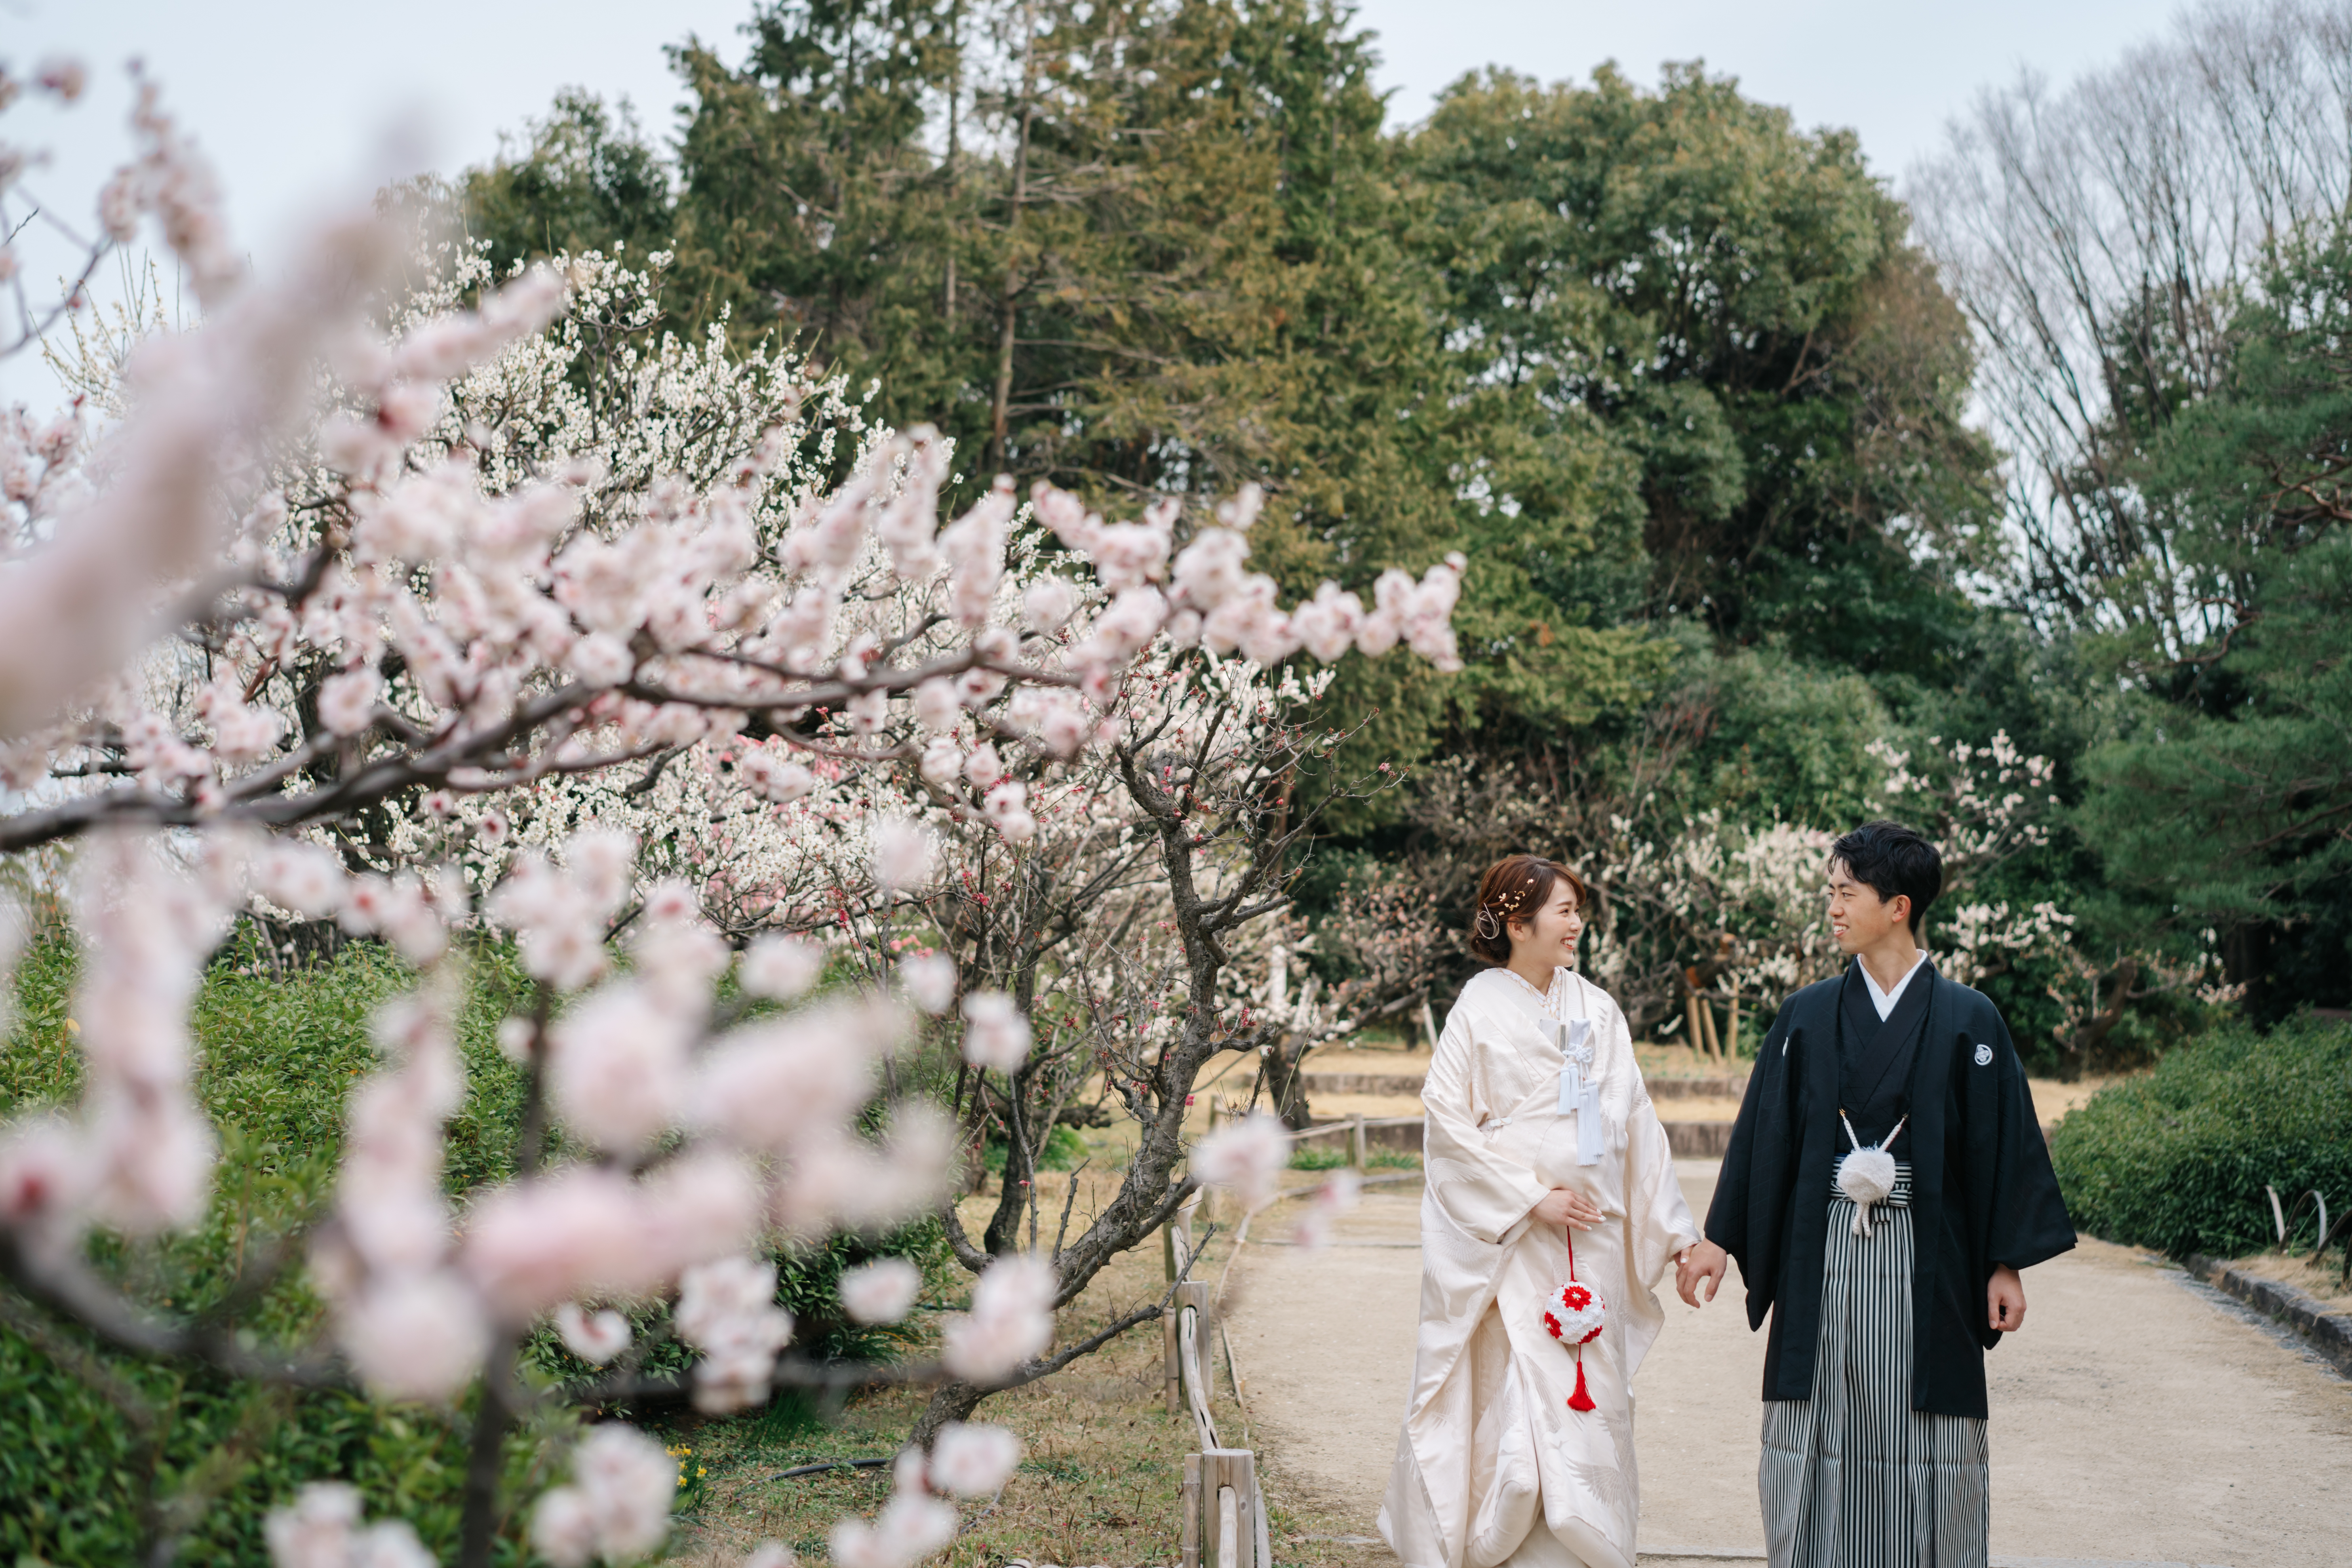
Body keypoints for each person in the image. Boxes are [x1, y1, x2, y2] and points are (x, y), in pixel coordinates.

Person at [1677, 821, 2075, 1568]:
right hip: (1824, 1247)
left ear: (1898, 905)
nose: (1831, 907)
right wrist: (1718, 1240)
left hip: (1932, 1256)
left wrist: (2005, 1264)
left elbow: (2000, 1143)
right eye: (1829, 891)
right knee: (1819, 1418)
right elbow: (1765, 1131)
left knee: (1925, 1429)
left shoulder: (1969, 1017)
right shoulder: (1807, 1014)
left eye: (1845, 892)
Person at [1381, 854, 1701, 1568]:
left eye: (1576, 911)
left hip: (1591, 1238)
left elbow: (1638, 1123)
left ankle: (1588, 1544)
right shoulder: (1479, 1006)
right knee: (1521, 1408)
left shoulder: (1597, 1009)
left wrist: (1677, 1236)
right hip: (1514, 1242)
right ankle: (1502, 1542)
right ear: (1518, 923)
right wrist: (1531, 1196)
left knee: (1592, 1400)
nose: (1576, 924)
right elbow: (1447, 1122)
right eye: (1564, 911)